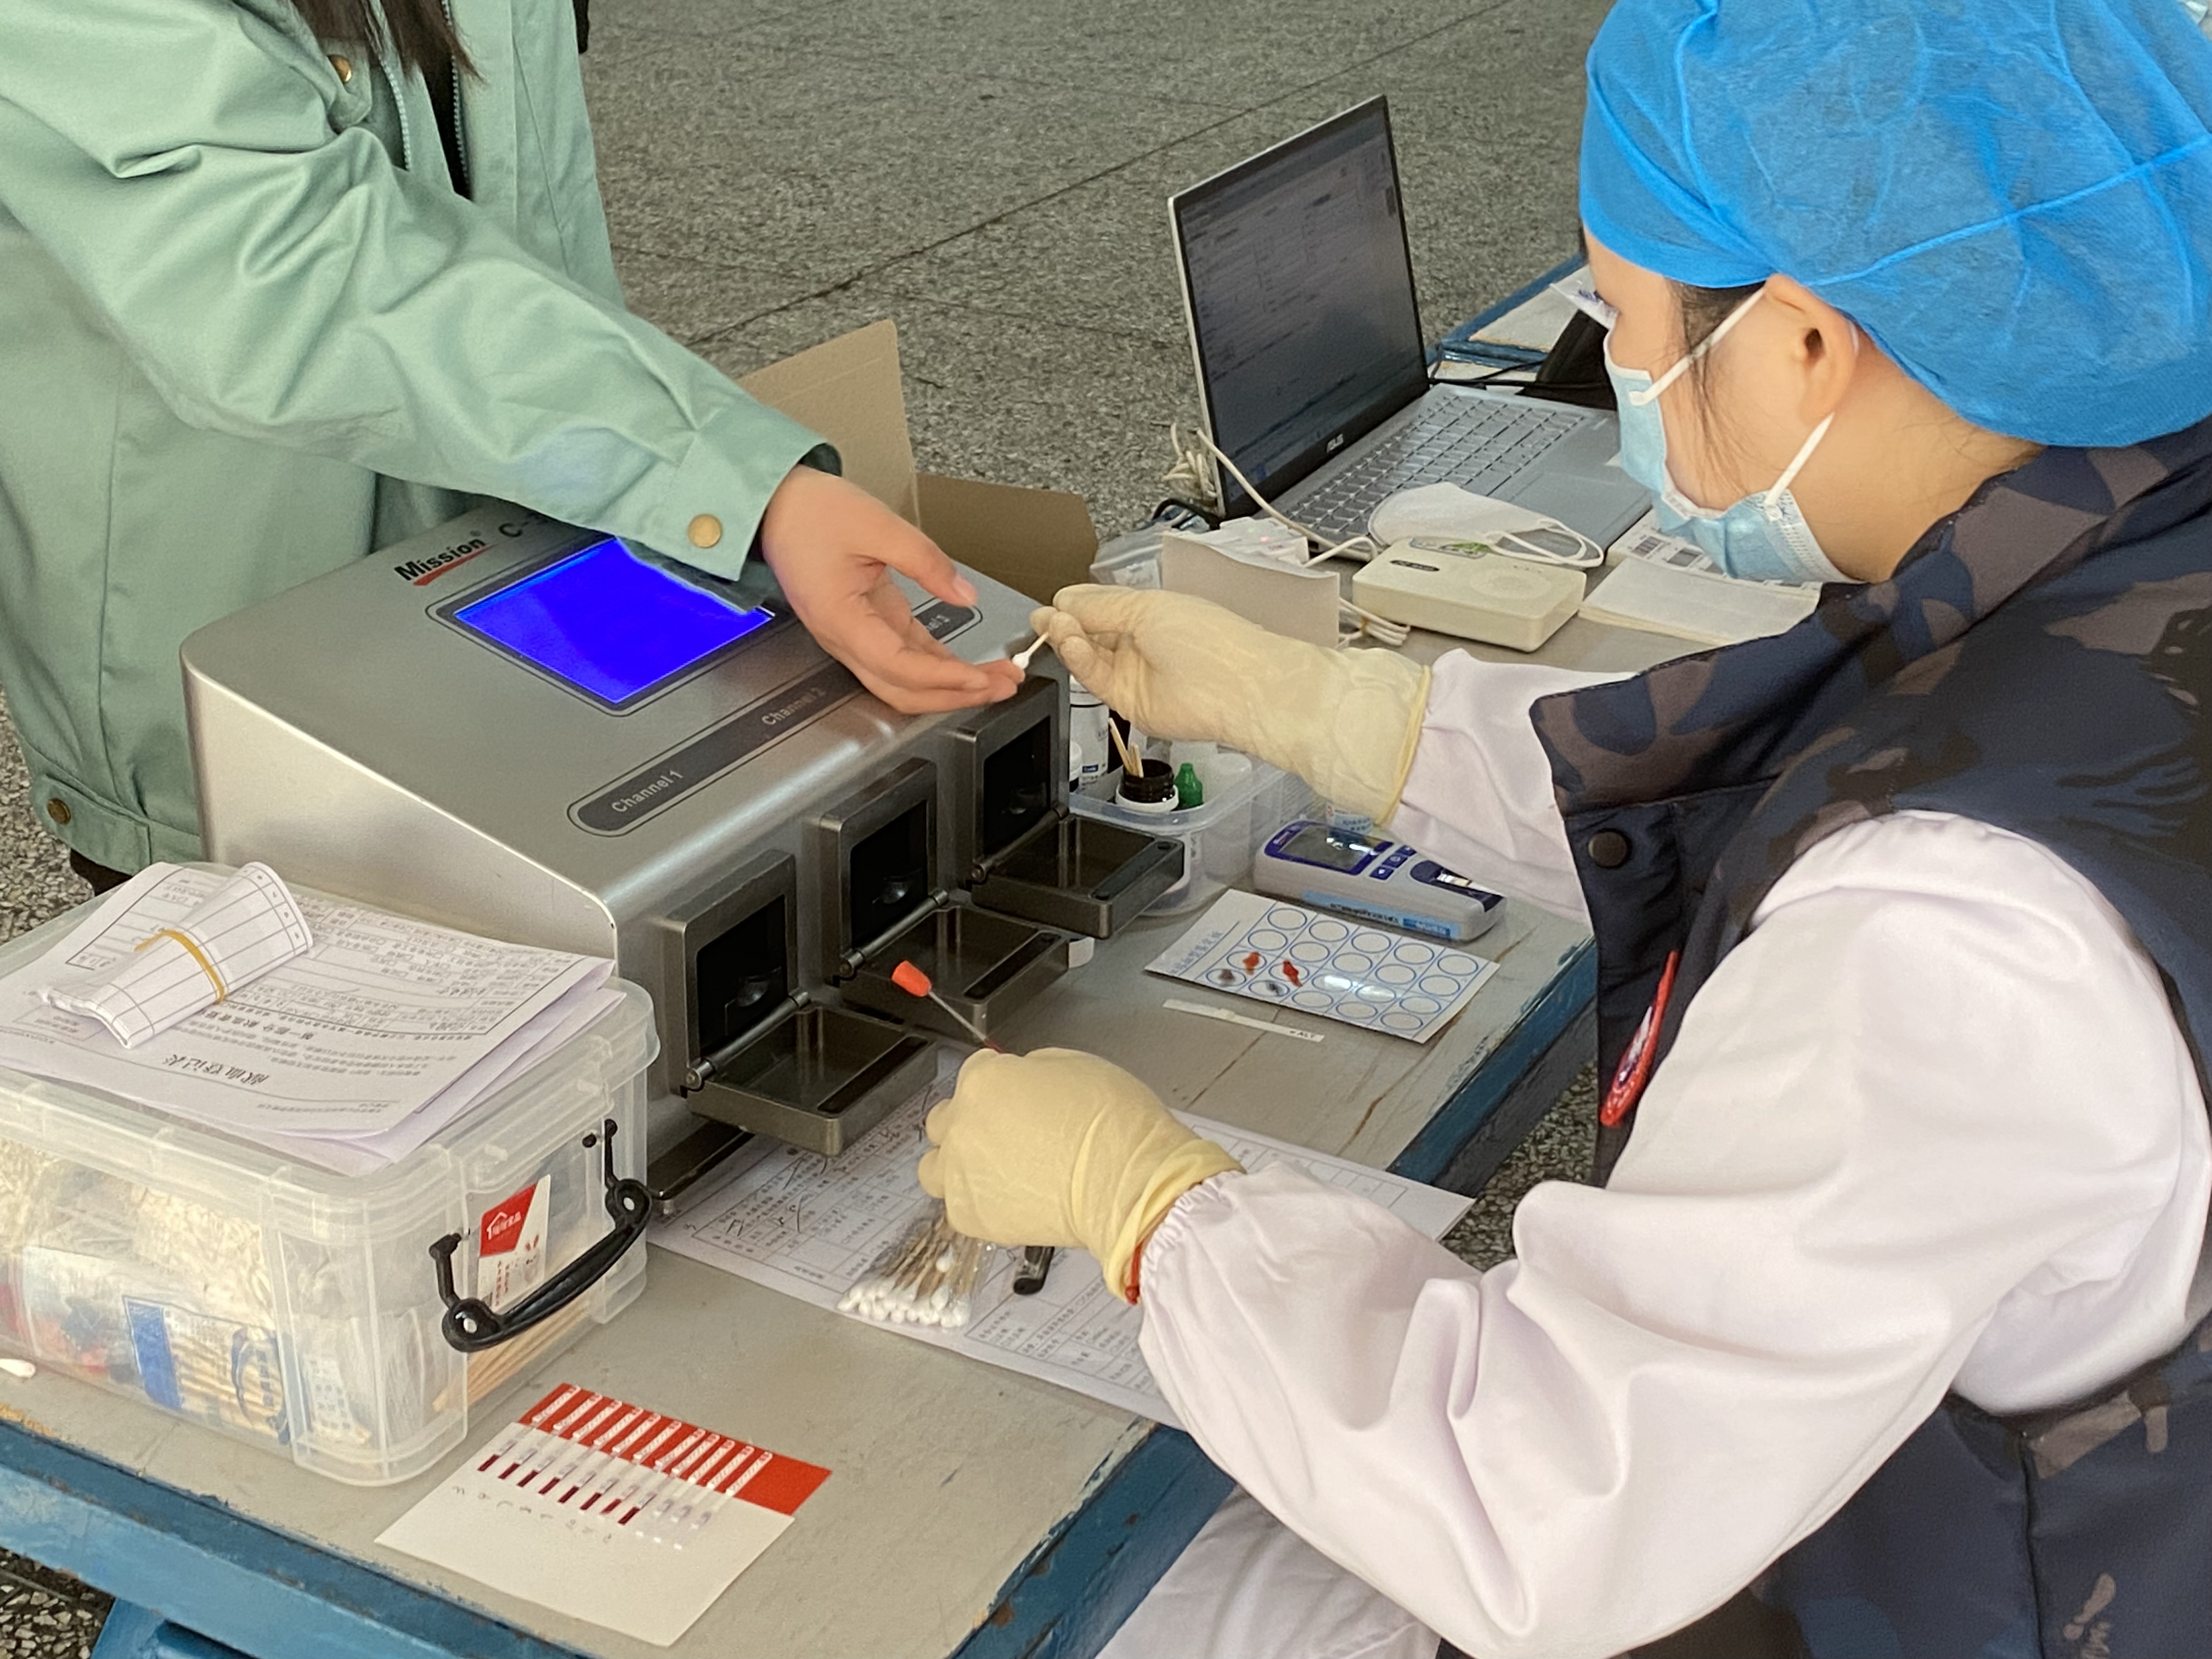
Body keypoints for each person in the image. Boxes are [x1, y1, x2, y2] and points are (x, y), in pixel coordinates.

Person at [917, 1, 2212, 1654]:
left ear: (1806, 346)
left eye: (1622, 317)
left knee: (1116, 1590)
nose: (1624, 372)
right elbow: (1800, 784)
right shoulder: (2127, 548)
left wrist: (1156, 1211)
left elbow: (1547, 1514)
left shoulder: (1952, 930)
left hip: (1972, 1590)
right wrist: (1329, 713)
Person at [0, 0, 1017, 891]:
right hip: (237, 641)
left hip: (517, 560)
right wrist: (718, 475)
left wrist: (646, 480)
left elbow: (520, 211)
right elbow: (275, 266)